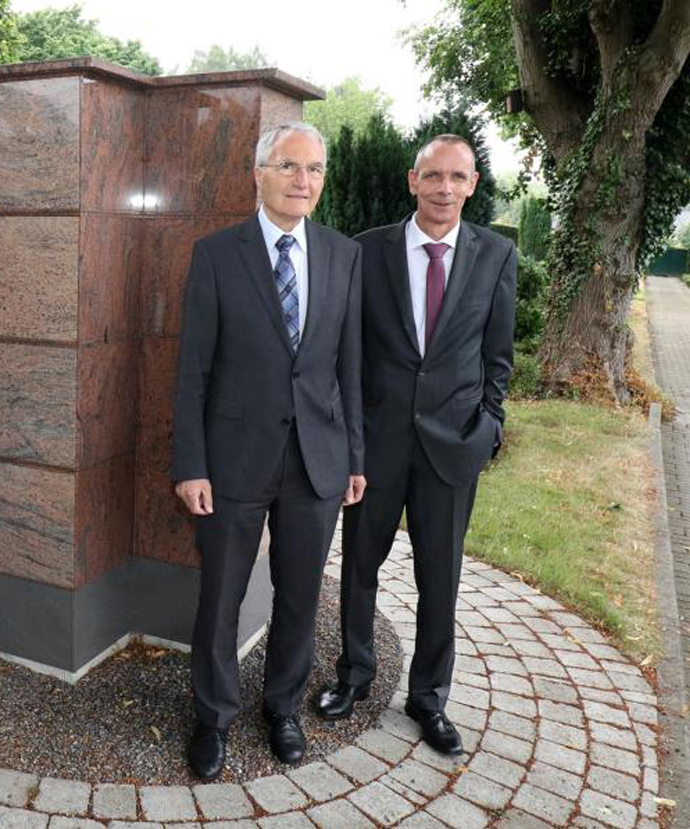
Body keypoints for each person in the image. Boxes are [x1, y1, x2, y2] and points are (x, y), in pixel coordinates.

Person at [171, 123, 365, 778]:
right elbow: (192, 369)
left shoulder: (343, 256)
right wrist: (190, 463)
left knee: (300, 594)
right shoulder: (217, 254)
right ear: (258, 172)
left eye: (314, 168)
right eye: (289, 166)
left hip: (315, 459)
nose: (302, 179)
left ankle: (281, 705)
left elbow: (350, 369)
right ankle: (213, 714)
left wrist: (355, 457)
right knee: (220, 594)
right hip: (231, 460)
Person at [316, 134, 516, 756]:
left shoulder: (496, 255)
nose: (445, 189)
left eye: (458, 177)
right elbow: (346, 353)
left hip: (453, 447)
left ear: (473, 184)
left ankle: (429, 698)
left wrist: (489, 428)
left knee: (442, 577)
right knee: (358, 569)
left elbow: (497, 357)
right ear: (413, 180)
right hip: (376, 446)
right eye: (434, 176)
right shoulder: (364, 251)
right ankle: (353, 676)